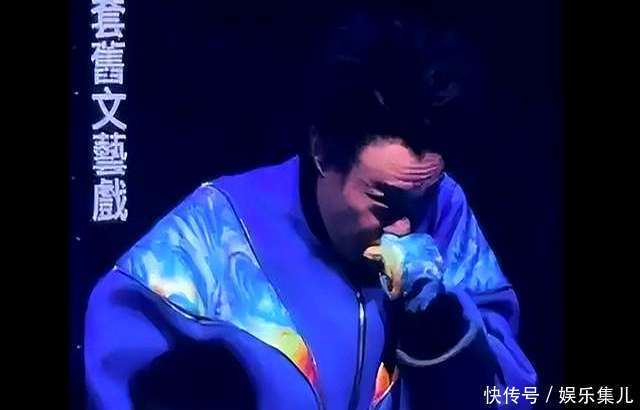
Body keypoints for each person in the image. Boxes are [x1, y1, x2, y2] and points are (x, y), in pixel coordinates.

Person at [84, 13, 536, 410]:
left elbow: (512, 392)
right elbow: (116, 365)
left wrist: (440, 324)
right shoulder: (214, 235)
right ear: (322, 152)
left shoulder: (445, 209)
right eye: (384, 199)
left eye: (423, 199)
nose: (404, 226)